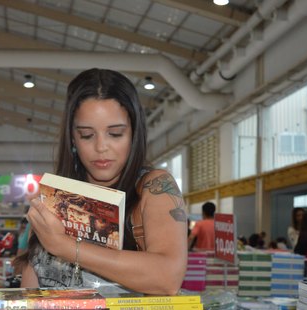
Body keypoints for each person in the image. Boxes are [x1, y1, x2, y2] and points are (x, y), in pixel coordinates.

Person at [18, 68, 188, 294]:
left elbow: (168, 277)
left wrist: (65, 247)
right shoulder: (53, 197)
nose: (101, 147)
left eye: (115, 133)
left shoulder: (153, 188)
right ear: (72, 137)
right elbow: (29, 293)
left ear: (134, 134)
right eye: (87, 135)